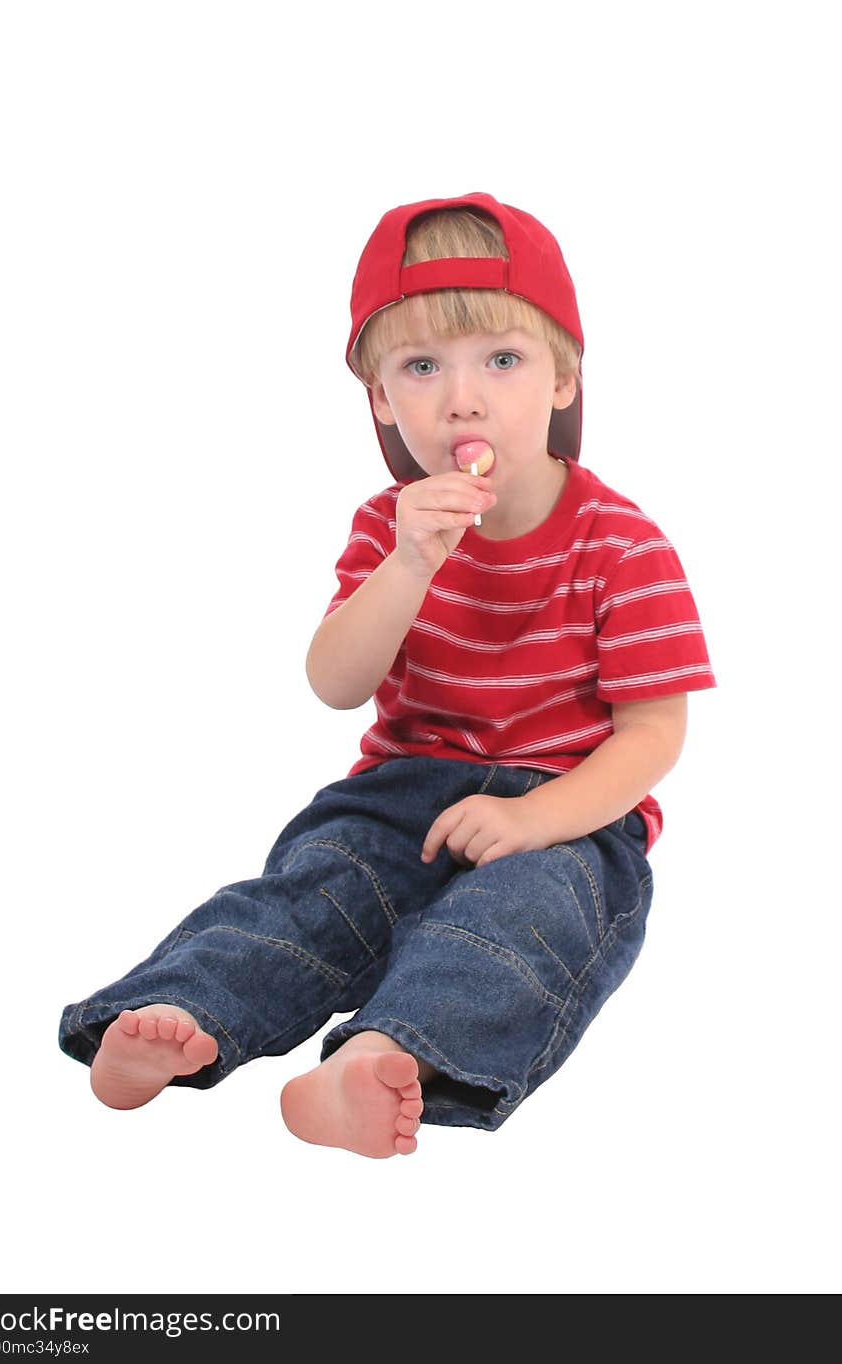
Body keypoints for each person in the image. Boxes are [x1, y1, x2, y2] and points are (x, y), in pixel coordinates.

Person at [58, 191, 716, 1159]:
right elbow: (335, 680)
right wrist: (407, 565)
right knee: (314, 891)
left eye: (502, 358)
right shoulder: (388, 525)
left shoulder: (621, 543)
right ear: (379, 399)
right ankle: (178, 1016)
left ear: (563, 378)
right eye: (420, 367)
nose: (462, 398)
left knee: (517, 923)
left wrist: (537, 818)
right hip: (402, 790)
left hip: (569, 808)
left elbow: (652, 730)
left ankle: (376, 1057)